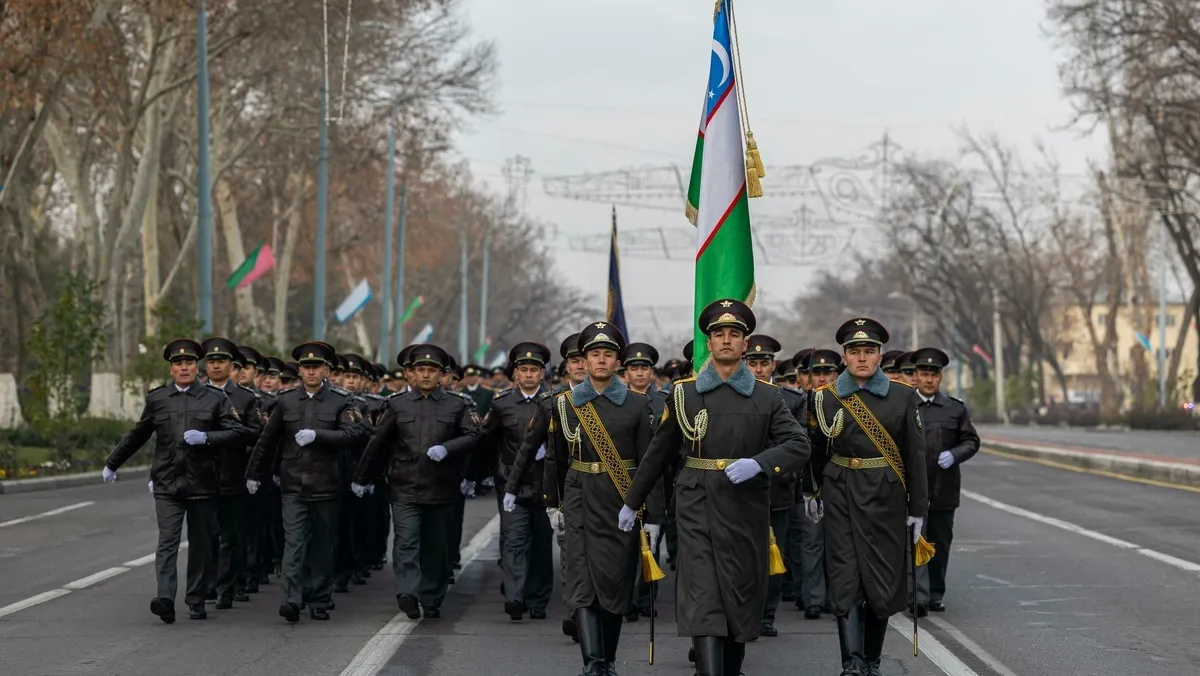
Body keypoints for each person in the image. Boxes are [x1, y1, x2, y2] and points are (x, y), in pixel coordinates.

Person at [618, 300, 809, 676]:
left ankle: (731, 668)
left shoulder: (767, 396)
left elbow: (799, 444)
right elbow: (658, 454)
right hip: (696, 503)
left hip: (745, 506)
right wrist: (633, 502)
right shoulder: (684, 393)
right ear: (708, 343)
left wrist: (759, 463)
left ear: (745, 343)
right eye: (718, 334)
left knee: (739, 590)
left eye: (733, 334)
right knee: (703, 590)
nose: (726, 340)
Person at [522, 323, 661, 675]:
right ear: (583, 361)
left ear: (618, 362)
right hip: (579, 495)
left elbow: (650, 463)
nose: (601, 360)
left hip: (621, 502)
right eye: (594, 354)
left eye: (608, 354)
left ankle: (609, 659)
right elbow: (555, 458)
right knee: (581, 582)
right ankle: (593, 663)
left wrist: (654, 515)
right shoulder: (563, 404)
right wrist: (552, 502)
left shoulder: (637, 403)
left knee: (615, 582)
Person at [811, 319, 928, 676]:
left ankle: (873, 662)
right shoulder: (824, 398)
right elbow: (815, 451)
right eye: (854, 352)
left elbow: (915, 457)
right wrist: (811, 491)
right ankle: (852, 663)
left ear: (879, 356)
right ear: (844, 357)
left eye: (869, 351)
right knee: (845, 578)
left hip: (886, 497)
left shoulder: (904, 396)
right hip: (842, 492)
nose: (862, 358)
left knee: (881, 580)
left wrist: (917, 509)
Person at [102, 338, 249, 622]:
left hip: (203, 482)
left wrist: (207, 438)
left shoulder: (215, 398)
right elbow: (138, 434)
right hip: (167, 482)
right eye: (178, 364)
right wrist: (112, 462)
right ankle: (165, 598)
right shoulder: (158, 398)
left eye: (189, 363)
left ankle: (195, 599)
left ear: (197, 367)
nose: (184, 368)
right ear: (171, 369)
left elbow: (238, 433)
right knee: (167, 542)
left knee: (201, 544)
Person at [351, 344, 482, 620]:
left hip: (441, 487)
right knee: (406, 541)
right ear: (411, 373)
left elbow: (474, 437)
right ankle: (408, 593)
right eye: (420, 370)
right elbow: (378, 443)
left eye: (431, 370)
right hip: (404, 485)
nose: (425, 375)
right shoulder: (397, 405)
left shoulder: (457, 405)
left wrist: (448, 448)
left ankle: (432, 596)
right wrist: (362, 477)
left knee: (436, 546)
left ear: (441, 374)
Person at [245, 340, 371, 623]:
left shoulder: (341, 401)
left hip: (327, 484)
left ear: (326, 369)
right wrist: (254, 473)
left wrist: (320, 435)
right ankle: (292, 599)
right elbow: (267, 442)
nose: (311, 372)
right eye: (306, 367)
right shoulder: (286, 400)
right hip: (293, 485)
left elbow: (356, 434)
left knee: (323, 545)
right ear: (300, 370)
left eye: (316, 367)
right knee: (294, 542)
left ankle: (320, 599)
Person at [910, 347, 979, 614]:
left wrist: (955, 454)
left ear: (941, 377)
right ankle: (918, 597)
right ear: (915, 376)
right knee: (915, 543)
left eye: (934, 375)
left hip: (943, 490)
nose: (929, 380)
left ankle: (935, 593)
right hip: (913, 490)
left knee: (938, 545)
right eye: (924, 374)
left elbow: (971, 440)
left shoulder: (954, 409)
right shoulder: (904, 406)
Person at [491, 342, 555, 621]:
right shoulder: (501, 403)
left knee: (541, 544)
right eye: (524, 370)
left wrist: (549, 451)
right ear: (515, 373)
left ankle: (538, 599)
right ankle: (515, 596)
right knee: (515, 541)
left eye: (534, 370)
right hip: (512, 486)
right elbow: (486, 439)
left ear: (542, 374)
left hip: (545, 485)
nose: (529, 375)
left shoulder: (555, 402)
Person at [200, 337, 264, 609]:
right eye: (211, 362)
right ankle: (208, 584)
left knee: (231, 536)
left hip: (233, 473)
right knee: (206, 536)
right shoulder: (196, 393)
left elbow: (257, 434)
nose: (216, 366)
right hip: (201, 476)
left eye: (221, 362)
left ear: (232, 366)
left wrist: (228, 433)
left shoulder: (246, 398)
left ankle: (227, 587)